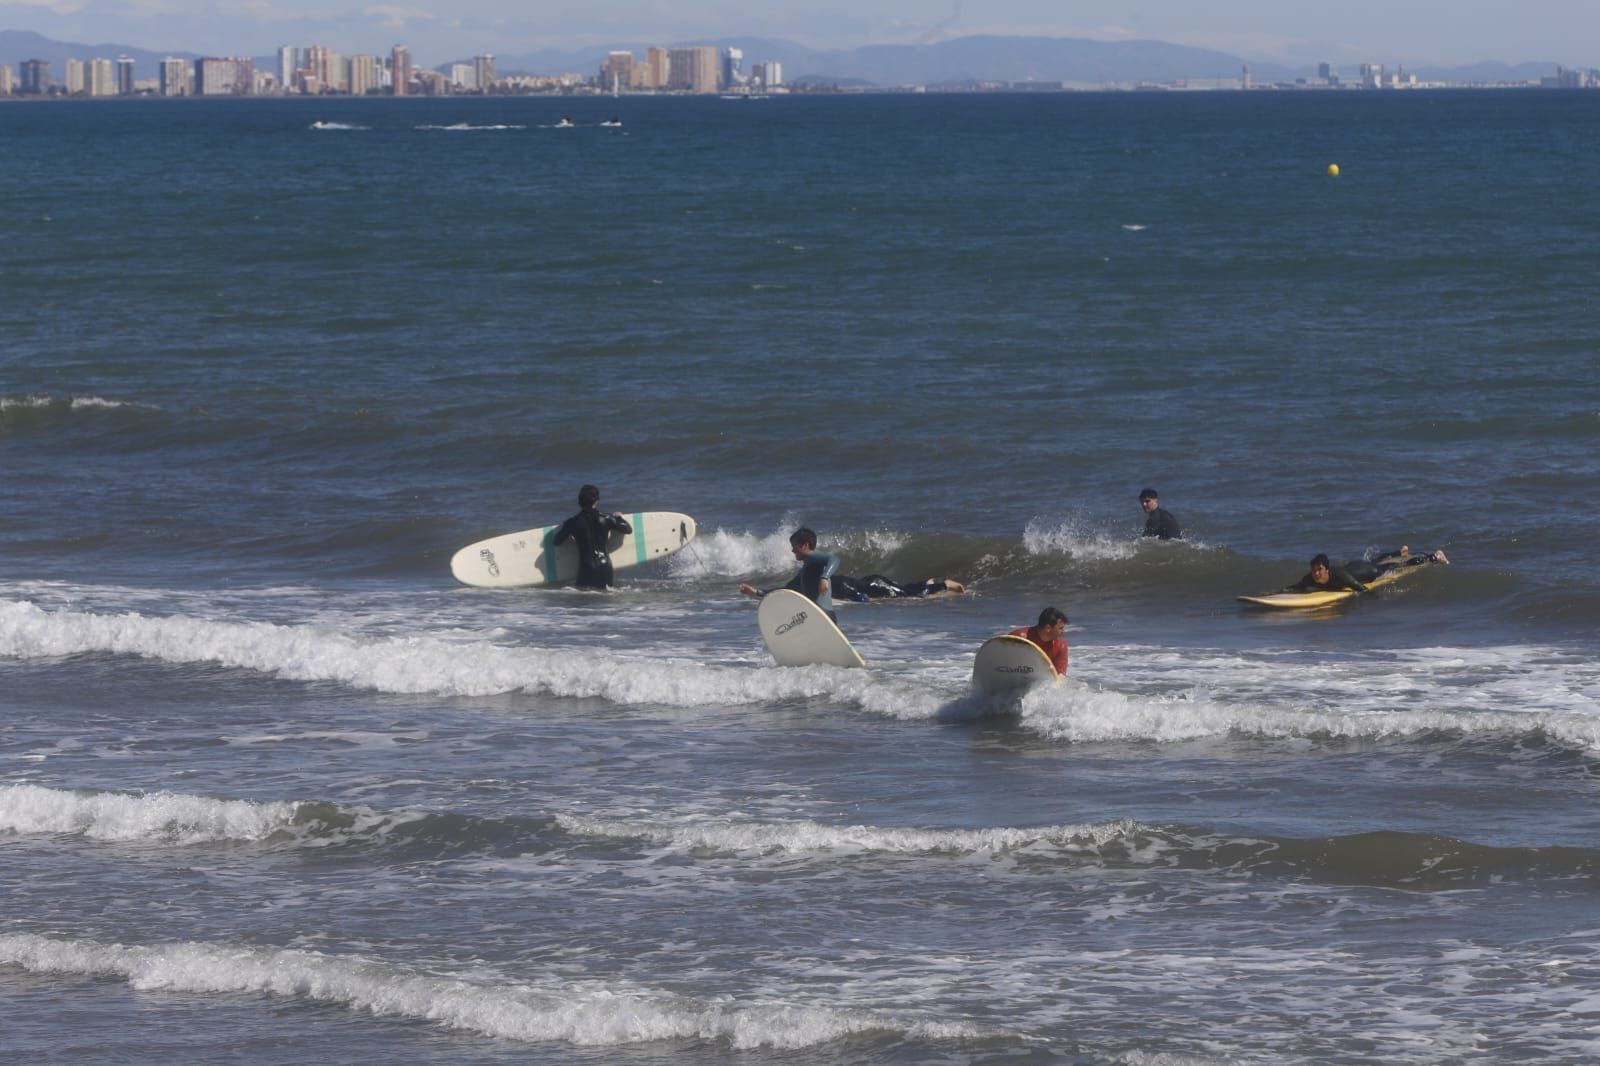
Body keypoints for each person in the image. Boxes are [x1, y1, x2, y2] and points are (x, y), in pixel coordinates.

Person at [738, 528, 842, 621]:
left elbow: (834, 559)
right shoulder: (804, 571)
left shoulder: (812, 557)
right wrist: (757, 592)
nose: (792, 550)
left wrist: (824, 578)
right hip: (821, 616)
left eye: (794, 546)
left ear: (805, 545)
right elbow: (786, 590)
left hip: (822, 615)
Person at [551, 484, 632, 589]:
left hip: (587, 568)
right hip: (605, 567)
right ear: (596, 501)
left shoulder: (572, 522)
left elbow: (556, 541)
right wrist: (619, 517)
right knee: (606, 600)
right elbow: (628, 529)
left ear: (580, 501)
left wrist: (566, 529)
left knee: (586, 601)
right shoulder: (607, 518)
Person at [1287, 546, 1450, 593]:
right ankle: (1399, 552)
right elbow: (1297, 586)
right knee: (1375, 560)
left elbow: (1363, 590)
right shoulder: (1311, 577)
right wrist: (1270, 594)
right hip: (1355, 565)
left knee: (1397, 566)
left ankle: (1434, 557)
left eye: (1319, 570)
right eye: (1314, 570)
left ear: (1327, 569)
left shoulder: (1341, 577)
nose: (1316, 573)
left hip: (1369, 573)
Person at [1010, 607, 1069, 676]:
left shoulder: (1061, 646)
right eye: (1060, 628)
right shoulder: (1020, 638)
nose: (1063, 632)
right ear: (1048, 628)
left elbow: (1060, 677)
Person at [832, 575, 966, 602]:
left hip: (878, 585)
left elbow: (862, 598)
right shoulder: (829, 579)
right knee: (903, 590)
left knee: (910, 596)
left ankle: (946, 584)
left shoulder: (836, 584)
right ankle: (926, 582)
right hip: (873, 582)